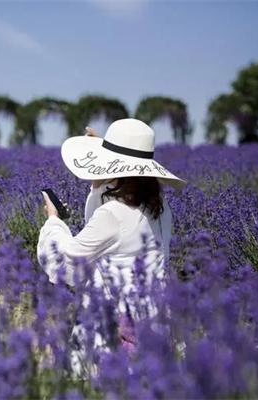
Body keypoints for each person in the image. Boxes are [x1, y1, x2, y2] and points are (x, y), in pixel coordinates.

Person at [36, 118, 186, 377]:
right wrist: (99, 180)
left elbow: (68, 262)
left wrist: (53, 222)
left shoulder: (113, 214)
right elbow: (106, 237)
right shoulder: (161, 209)